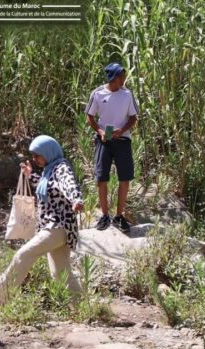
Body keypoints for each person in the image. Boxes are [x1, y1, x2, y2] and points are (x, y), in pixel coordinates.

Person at [0, 136, 84, 306]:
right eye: (33, 156)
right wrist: (30, 175)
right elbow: (49, 186)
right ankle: (81, 307)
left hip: (57, 226)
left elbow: (69, 185)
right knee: (60, 272)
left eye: (37, 155)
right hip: (56, 227)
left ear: (48, 152)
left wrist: (76, 199)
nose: (35, 159)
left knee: (24, 254)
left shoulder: (62, 168)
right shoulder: (50, 169)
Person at [85, 62, 139, 233]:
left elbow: (133, 117)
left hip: (123, 140)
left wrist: (122, 130)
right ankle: (104, 215)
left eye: (123, 75)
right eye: (120, 76)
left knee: (125, 178)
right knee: (102, 178)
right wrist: (100, 131)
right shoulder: (98, 93)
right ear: (113, 78)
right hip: (104, 140)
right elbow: (90, 116)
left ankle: (119, 215)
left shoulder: (127, 94)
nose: (123, 78)